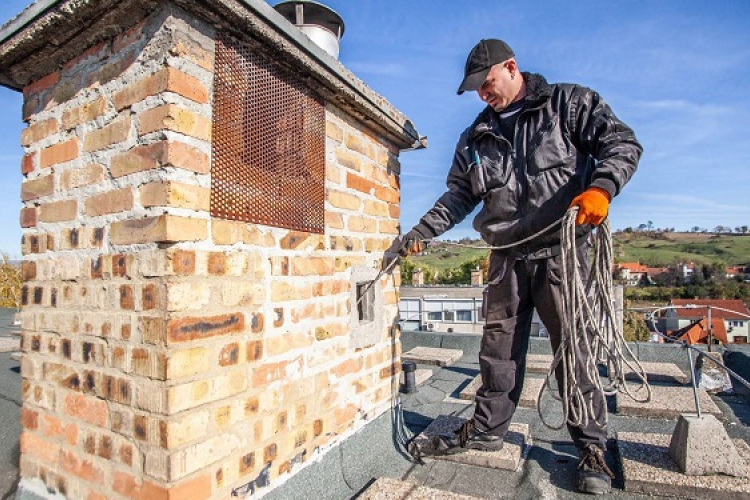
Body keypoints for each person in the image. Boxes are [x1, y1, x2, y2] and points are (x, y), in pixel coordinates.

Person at [397, 39, 642, 495]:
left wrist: (602, 188)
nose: (482, 95)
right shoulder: (476, 137)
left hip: (562, 252)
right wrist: (420, 232)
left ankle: (590, 446)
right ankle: (489, 429)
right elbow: (458, 196)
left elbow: (621, 143)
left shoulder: (567, 104)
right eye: (476, 89)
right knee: (498, 350)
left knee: (575, 350)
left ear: (510, 67)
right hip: (505, 257)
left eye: (486, 83)